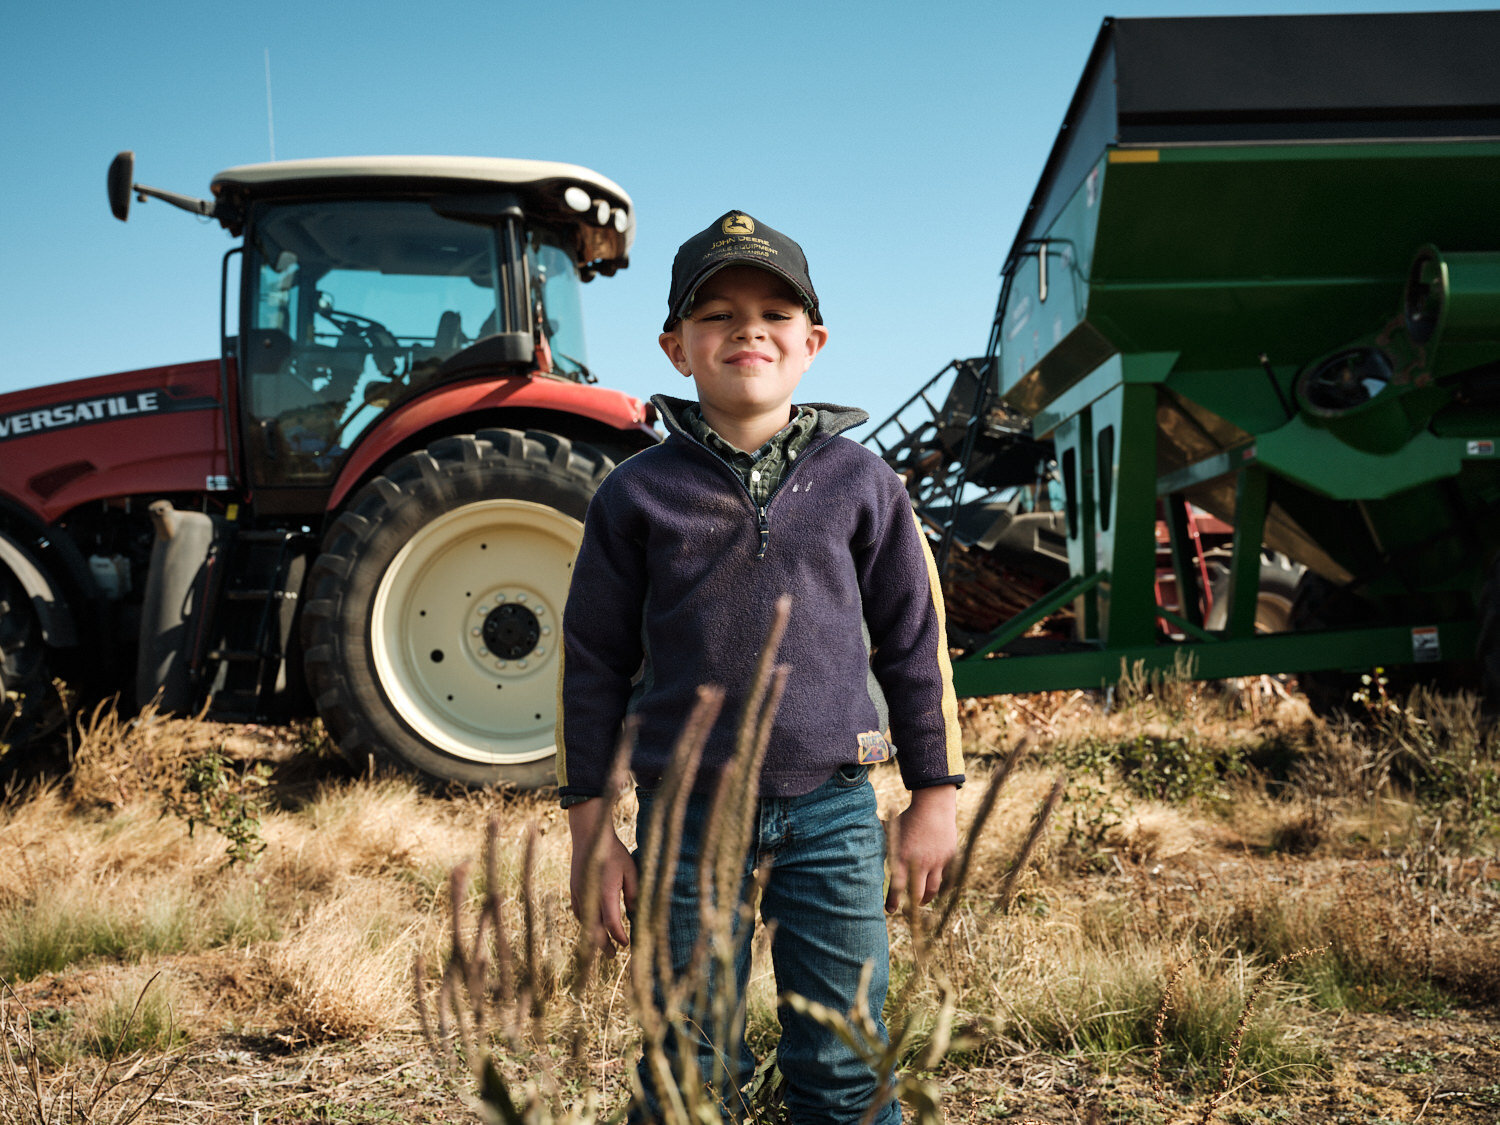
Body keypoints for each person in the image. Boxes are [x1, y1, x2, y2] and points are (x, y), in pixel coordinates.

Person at [558, 210, 963, 1125]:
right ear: (675, 348)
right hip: (685, 819)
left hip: (834, 810)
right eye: (717, 314)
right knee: (689, 1065)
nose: (749, 329)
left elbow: (914, 643)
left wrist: (934, 792)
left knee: (847, 1059)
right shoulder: (635, 495)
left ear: (812, 343)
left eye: (776, 312)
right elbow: (590, 664)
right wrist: (591, 832)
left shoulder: (866, 484)